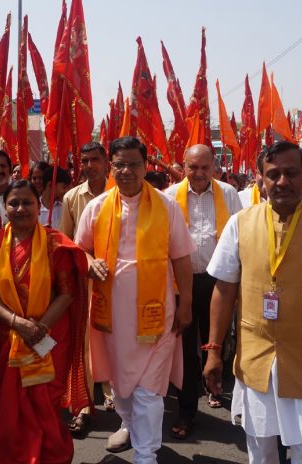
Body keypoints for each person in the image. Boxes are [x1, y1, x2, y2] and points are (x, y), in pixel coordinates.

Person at [202, 141, 302, 464]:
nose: (282, 181)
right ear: (260, 179)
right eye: (272, 174)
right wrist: (214, 351)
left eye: (291, 172)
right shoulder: (240, 224)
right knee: (260, 448)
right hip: (256, 358)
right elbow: (224, 290)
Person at [75, 136, 195, 463]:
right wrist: (89, 262)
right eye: (120, 165)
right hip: (111, 314)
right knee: (119, 383)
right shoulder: (97, 207)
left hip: (157, 313)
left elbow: (182, 259)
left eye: (133, 164)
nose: (127, 171)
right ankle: (128, 425)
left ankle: (146, 454)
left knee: (149, 391)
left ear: (145, 166)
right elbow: (80, 251)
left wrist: (185, 306)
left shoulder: (167, 207)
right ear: (111, 168)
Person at [0, 179, 90, 463]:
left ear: (38, 205)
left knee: (46, 401)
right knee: (8, 402)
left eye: (27, 202)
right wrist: (18, 323)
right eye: (13, 203)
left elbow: (67, 293)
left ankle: (52, 455)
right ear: (4, 207)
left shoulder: (55, 244)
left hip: (50, 337)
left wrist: (38, 328)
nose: (20, 208)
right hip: (7, 334)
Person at [165, 143, 242, 440]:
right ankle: (186, 412)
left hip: (218, 283)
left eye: (205, 167)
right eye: (192, 167)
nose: (198, 173)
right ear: (183, 166)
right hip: (181, 284)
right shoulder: (170, 197)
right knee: (185, 350)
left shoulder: (229, 194)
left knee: (215, 343)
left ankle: (216, 388)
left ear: (215, 168)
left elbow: (238, 238)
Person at [56, 141, 115, 434]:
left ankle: (114, 394)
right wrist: (86, 262)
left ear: (106, 162)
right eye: (85, 160)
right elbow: (67, 243)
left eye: (95, 159)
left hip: (119, 282)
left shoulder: (125, 192)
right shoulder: (71, 198)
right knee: (84, 345)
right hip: (84, 281)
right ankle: (82, 405)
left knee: (115, 340)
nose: (90, 165)